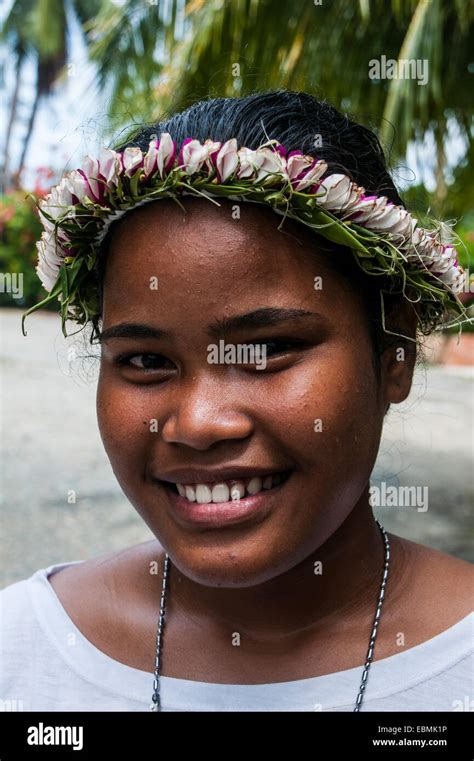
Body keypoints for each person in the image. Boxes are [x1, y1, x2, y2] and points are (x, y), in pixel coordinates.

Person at [1, 90, 472, 712]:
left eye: (268, 348)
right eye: (146, 360)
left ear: (394, 354)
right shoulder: (24, 651)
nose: (197, 424)